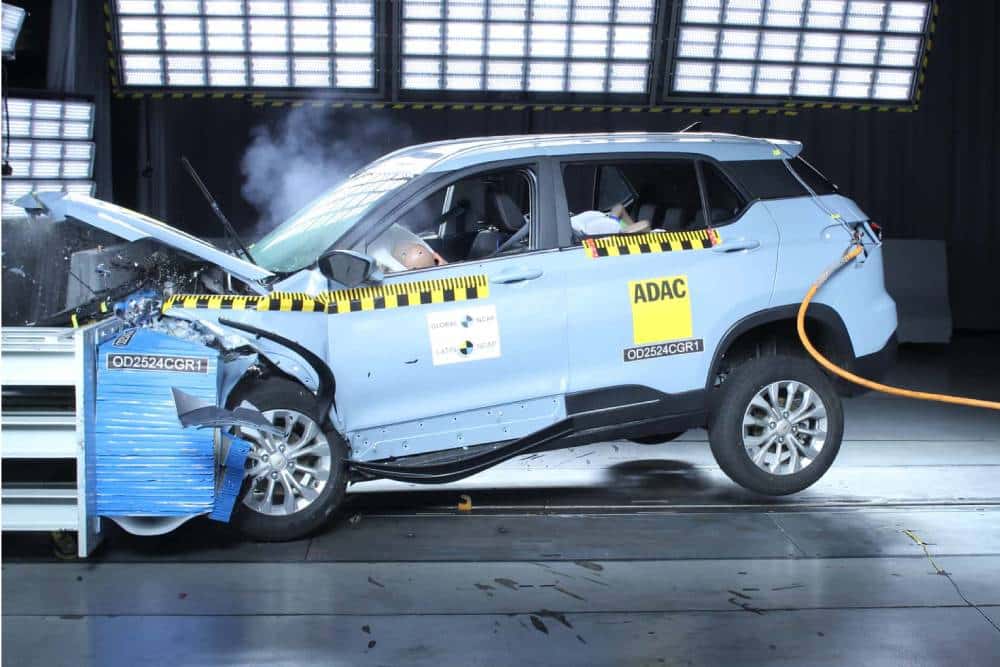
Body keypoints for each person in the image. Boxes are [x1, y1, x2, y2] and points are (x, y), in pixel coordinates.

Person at [571, 202, 650, 237]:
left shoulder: (571, 220)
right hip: (614, 231)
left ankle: (632, 230)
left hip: (609, 220)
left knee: (619, 207)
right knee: (645, 224)